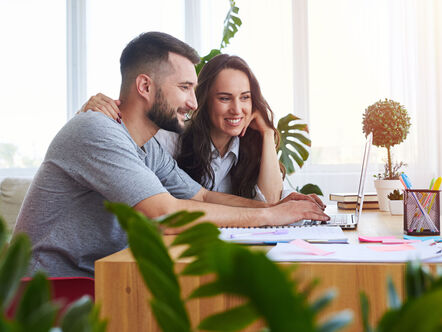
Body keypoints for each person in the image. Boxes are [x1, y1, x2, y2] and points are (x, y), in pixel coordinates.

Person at [14, 32, 329, 278]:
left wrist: (275, 206)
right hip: (51, 295)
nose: (194, 102)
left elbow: (202, 197)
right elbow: (166, 212)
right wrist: (269, 217)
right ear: (145, 86)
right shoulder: (98, 131)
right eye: (184, 87)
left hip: (106, 279)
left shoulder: (147, 146)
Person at [82, 55, 290, 203]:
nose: (237, 109)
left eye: (245, 97)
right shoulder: (170, 138)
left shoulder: (253, 144)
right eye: (224, 98)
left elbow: (270, 202)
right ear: (204, 100)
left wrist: (268, 133)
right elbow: (116, 143)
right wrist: (88, 110)